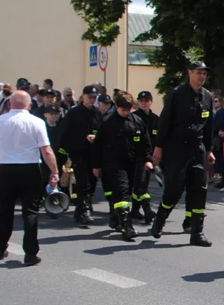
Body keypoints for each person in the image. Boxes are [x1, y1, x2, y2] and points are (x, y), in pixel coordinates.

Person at [0, 89, 59, 265]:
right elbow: (46, 151)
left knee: (5, 209)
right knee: (31, 212)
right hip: (29, 169)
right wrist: (54, 171)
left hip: (6, 169)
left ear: (10, 104)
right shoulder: (36, 122)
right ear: (29, 104)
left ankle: (0, 247)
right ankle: (31, 253)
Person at [151, 61, 216, 247]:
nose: (202, 77)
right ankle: (160, 220)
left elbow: (209, 125)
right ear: (189, 73)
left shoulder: (207, 97)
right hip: (176, 149)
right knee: (173, 190)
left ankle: (197, 233)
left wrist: (209, 149)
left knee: (199, 190)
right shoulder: (177, 94)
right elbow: (164, 121)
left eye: (204, 74)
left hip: (198, 149)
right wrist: (159, 146)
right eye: (198, 73)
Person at [91, 92, 152, 241]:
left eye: (128, 109)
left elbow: (145, 143)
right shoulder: (108, 123)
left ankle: (115, 218)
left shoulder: (137, 121)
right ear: (116, 106)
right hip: (114, 164)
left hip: (132, 163)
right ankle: (127, 226)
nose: (126, 112)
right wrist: (96, 166)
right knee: (122, 194)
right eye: (123, 109)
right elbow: (98, 146)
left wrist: (147, 160)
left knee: (127, 193)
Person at [60, 85, 104, 225]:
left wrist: (96, 138)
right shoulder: (74, 113)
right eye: (89, 97)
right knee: (82, 182)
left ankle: (81, 208)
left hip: (93, 153)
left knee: (92, 182)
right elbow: (66, 134)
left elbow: (102, 132)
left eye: (94, 97)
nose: (92, 100)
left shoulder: (97, 113)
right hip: (78, 152)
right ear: (83, 97)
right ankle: (84, 210)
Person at [130, 91, 159, 224]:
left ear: (151, 101)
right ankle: (147, 210)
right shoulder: (133, 117)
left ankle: (135, 210)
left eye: (146, 100)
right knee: (140, 184)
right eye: (141, 100)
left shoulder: (155, 119)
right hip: (136, 156)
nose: (143, 102)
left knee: (143, 183)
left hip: (151, 156)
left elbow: (158, 139)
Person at [210, 95, 224, 181]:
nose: (214, 103)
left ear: (221, 102)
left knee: (220, 156)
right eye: (213, 101)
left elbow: (219, 124)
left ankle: (223, 177)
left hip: (219, 137)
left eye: (216, 101)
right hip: (214, 136)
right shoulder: (212, 111)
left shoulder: (222, 112)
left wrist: (218, 131)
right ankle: (216, 174)